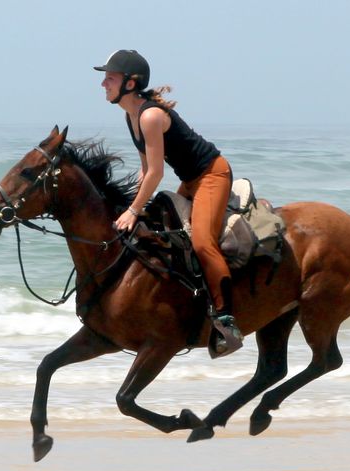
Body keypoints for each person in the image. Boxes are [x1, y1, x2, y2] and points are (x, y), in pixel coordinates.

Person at [94, 49, 242, 357]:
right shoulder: (131, 115)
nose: (103, 84)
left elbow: (158, 173)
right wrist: (131, 203)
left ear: (130, 84)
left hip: (212, 175)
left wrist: (134, 210)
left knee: (202, 243)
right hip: (190, 180)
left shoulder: (149, 116)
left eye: (110, 78)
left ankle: (227, 317)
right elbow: (146, 170)